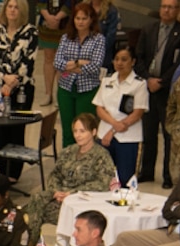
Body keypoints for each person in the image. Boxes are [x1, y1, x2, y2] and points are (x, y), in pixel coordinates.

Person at [21, 113, 118, 231]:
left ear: (93, 132)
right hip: (59, 197)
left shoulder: (102, 156)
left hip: (81, 201)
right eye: (75, 131)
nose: (78, 135)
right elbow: (55, 174)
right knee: (33, 203)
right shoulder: (68, 151)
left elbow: (102, 183)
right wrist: (56, 191)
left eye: (82, 131)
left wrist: (71, 193)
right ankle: (30, 244)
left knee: (34, 213)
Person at [136, 0, 180, 187]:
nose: (166, 10)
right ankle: (146, 171)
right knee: (148, 132)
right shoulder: (148, 29)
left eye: (171, 7)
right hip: (148, 85)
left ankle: (168, 176)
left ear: (178, 11)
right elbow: (139, 58)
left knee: (168, 134)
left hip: (168, 88)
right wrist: (148, 79)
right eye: (163, 6)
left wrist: (161, 82)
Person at [0, 0, 41, 179]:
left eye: (16, 7)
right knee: (2, 128)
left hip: (22, 88)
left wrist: (12, 80)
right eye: (9, 6)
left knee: (17, 129)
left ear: (22, 11)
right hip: (0, 87)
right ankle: (2, 171)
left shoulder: (30, 32)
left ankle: (14, 173)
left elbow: (29, 61)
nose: (12, 10)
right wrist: (3, 78)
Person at [93, 44, 148, 183]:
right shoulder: (106, 81)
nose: (119, 63)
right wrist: (113, 125)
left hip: (128, 137)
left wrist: (113, 131)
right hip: (103, 135)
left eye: (124, 59)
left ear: (133, 61)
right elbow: (99, 108)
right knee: (102, 177)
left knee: (125, 180)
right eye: (116, 59)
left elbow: (137, 113)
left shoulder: (139, 84)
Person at [55, 3, 107, 145]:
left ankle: (84, 164)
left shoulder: (99, 39)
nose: (80, 22)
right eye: (77, 18)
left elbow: (95, 67)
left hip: (88, 90)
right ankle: (68, 164)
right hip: (66, 89)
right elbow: (57, 63)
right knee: (68, 131)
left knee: (85, 131)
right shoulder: (66, 38)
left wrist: (72, 64)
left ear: (91, 20)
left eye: (84, 18)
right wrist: (80, 63)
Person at [35, 0, 72, 106]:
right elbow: (40, 3)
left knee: (61, 59)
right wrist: (49, 18)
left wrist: (57, 18)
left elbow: (70, 4)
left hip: (64, 24)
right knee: (48, 58)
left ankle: (59, 94)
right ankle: (48, 94)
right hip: (47, 25)